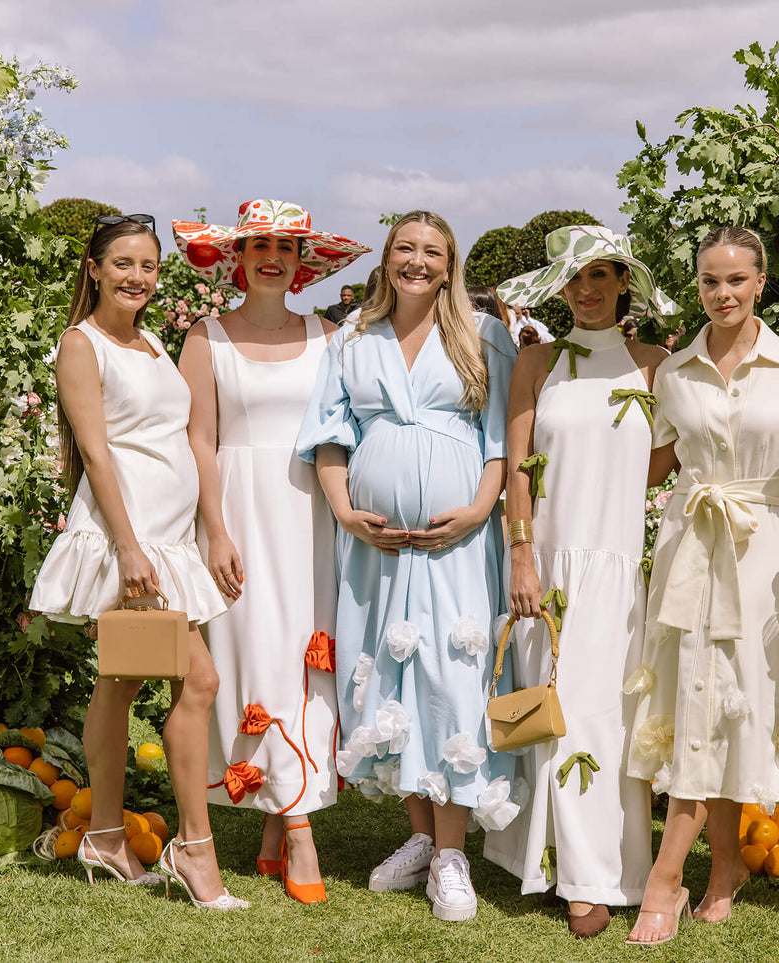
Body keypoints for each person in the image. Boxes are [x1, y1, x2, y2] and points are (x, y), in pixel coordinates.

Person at [295, 210, 519, 922]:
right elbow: (330, 435)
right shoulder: (352, 339)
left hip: (459, 542)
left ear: (450, 267)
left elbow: (500, 439)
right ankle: (421, 838)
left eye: (432, 252)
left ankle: (453, 855)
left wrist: (479, 509)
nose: (417, 262)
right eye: (404, 249)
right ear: (387, 259)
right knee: (393, 675)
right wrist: (344, 509)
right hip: (378, 545)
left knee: (452, 674)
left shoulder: (485, 336)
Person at [29, 215, 244, 910]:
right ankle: (194, 848)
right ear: (93, 269)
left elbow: (177, 439)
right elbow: (95, 453)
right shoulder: (81, 344)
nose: (136, 277)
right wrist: (127, 547)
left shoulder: (153, 341)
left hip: (169, 538)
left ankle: (104, 834)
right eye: (122, 263)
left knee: (120, 683)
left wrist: (208, 529)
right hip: (131, 539)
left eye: (148, 266)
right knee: (198, 679)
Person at [625, 225, 779, 945]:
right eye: (710, 280)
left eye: (737, 279)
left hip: (763, 547)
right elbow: (648, 465)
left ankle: (704, 871)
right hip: (689, 542)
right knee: (694, 692)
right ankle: (688, 872)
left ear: (761, 282)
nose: (723, 293)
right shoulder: (673, 371)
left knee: (740, 697)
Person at [173, 199, 370, 904]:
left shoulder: (330, 336)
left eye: (286, 247)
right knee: (253, 651)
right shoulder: (206, 336)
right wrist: (215, 528)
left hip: (311, 511)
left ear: (301, 262)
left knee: (305, 651)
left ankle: (279, 818)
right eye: (259, 245)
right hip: (237, 511)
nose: (272, 258)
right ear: (237, 256)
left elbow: (343, 431)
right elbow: (198, 439)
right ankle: (297, 826)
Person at [484, 226, 677, 938]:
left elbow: (661, 464)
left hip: (619, 566)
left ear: (624, 282)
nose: (586, 289)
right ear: (558, 289)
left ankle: (595, 874)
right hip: (550, 565)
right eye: (574, 278)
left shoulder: (655, 364)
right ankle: (550, 864)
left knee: (603, 717)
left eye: (600, 274)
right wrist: (522, 554)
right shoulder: (537, 361)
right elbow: (518, 464)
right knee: (552, 709)